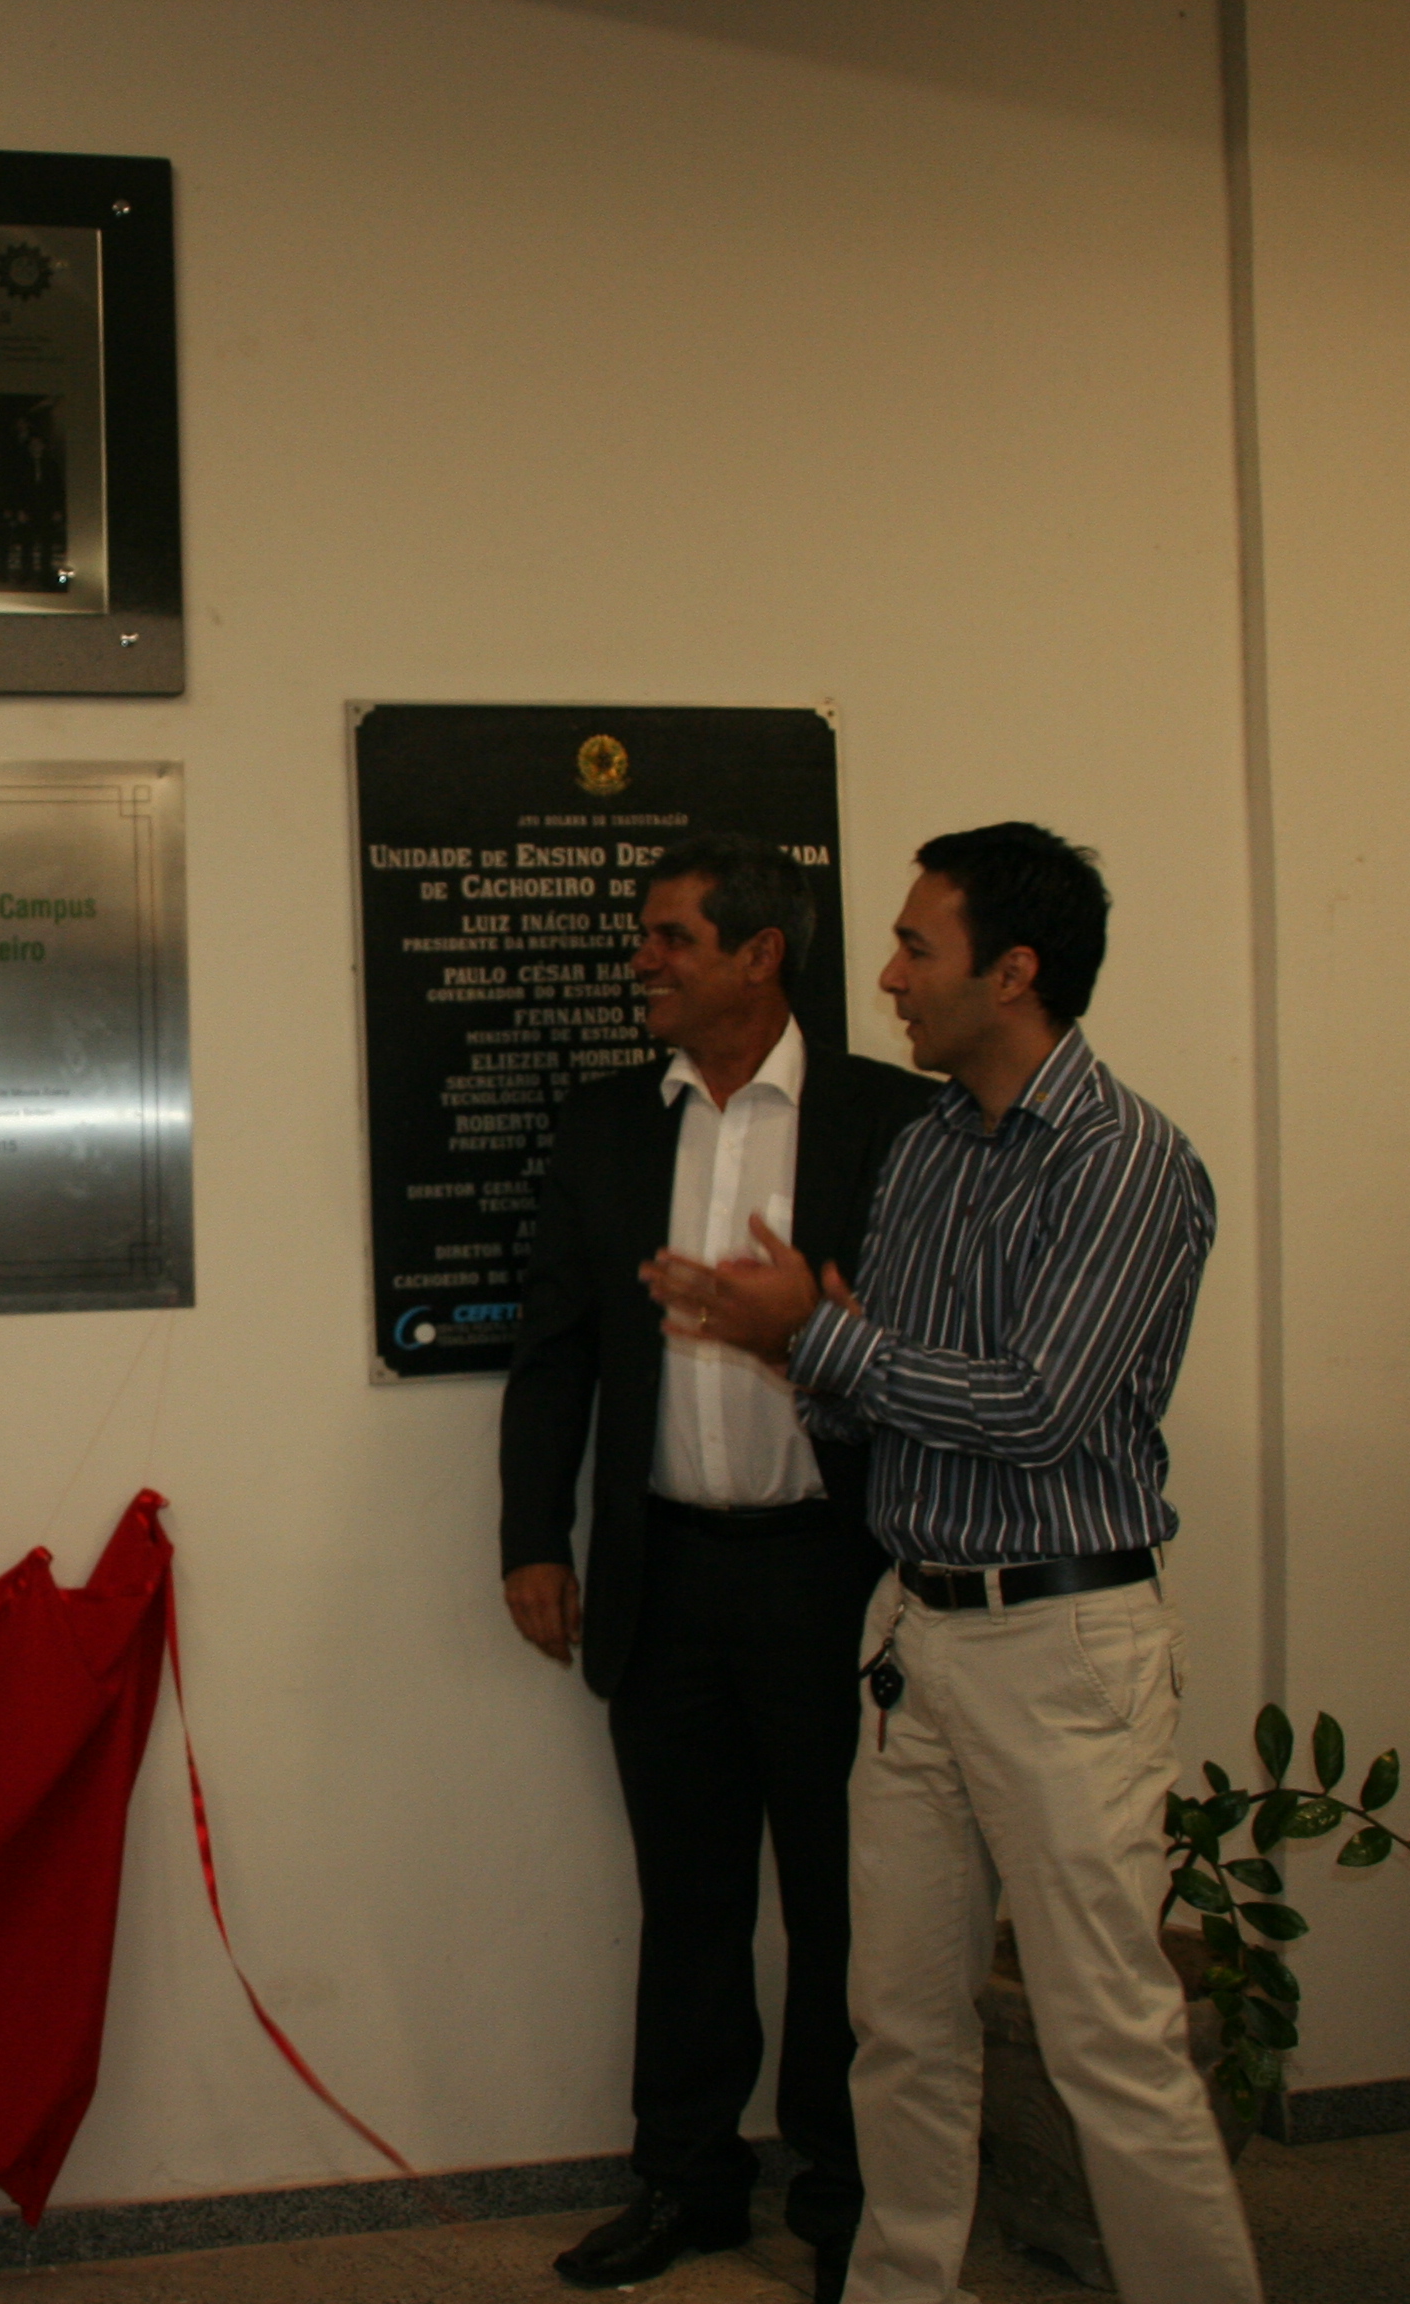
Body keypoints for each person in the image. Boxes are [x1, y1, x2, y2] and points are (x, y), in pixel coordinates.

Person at [656, 823, 1255, 2304]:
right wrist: (797, 1349)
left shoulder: (1126, 1161)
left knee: (1108, 2041)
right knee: (901, 2024)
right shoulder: (927, 1149)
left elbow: (1042, 1412)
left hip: (1063, 1645)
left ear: (1015, 971)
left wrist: (819, 1336)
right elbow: (886, 1397)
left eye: (918, 948)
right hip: (914, 1637)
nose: (889, 978)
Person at [501, 836, 935, 2300]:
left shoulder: (894, 1123)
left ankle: (844, 2199)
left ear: (761, 955)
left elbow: (926, 1348)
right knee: (687, 1904)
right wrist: (532, 1538)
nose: (645, 960)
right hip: (666, 1574)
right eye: (646, 935)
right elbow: (556, 1348)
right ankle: (687, 2182)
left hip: (836, 1575)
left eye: (673, 936)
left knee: (843, 1909)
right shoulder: (609, 1127)